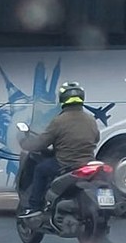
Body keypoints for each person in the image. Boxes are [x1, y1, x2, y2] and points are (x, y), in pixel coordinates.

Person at [17, 82, 99, 217]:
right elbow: (96, 138)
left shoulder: (59, 121)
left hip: (65, 163)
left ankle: (34, 207)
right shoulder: (91, 120)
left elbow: (41, 144)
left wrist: (25, 143)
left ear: (63, 99)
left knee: (40, 170)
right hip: (87, 162)